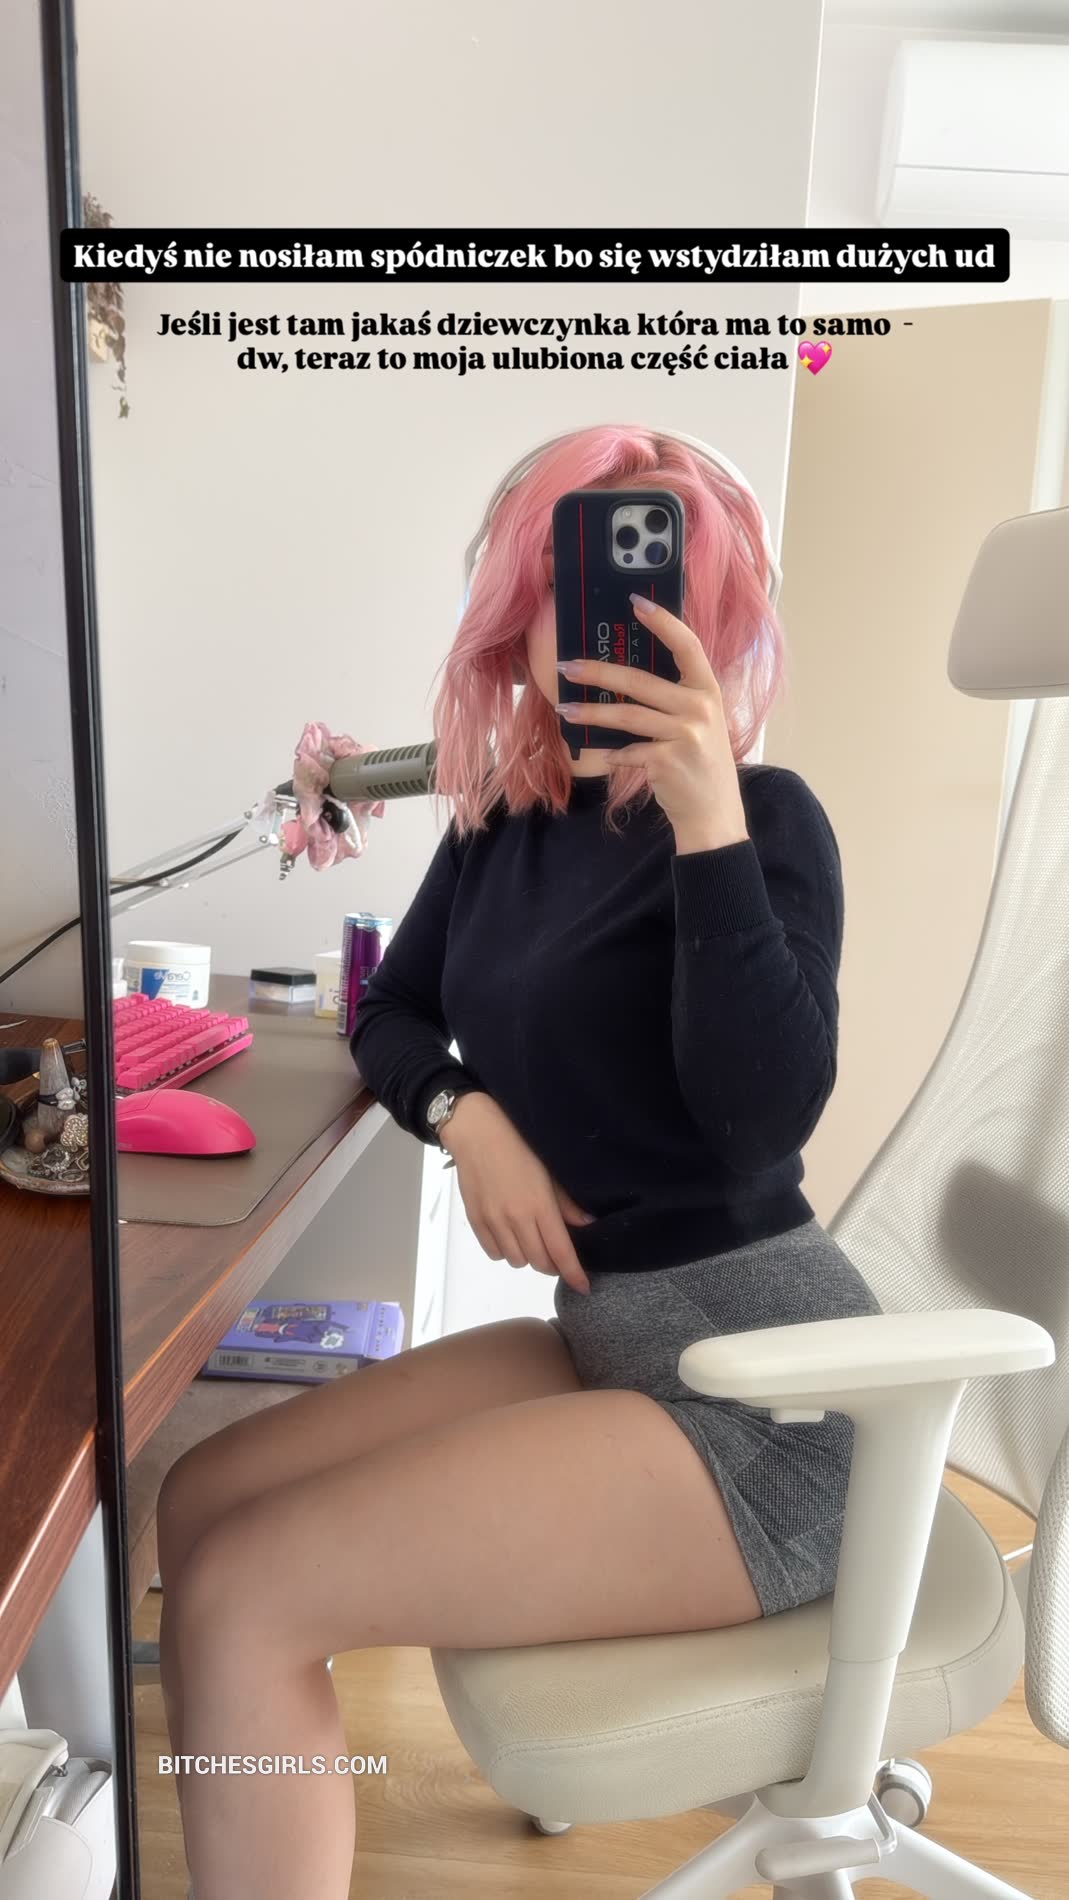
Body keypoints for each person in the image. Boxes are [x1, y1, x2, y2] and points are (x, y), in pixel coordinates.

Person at [157, 424, 880, 1900]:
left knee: (241, 1594)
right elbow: (390, 1009)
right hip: (608, 1339)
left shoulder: (768, 824)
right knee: (202, 1501)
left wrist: (705, 825)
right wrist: (464, 1114)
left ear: (713, 614)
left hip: (772, 1407)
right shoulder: (503, 827)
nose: (602, 621)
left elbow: (760, 1123)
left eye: (655, 585)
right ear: (520, 609)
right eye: (570, 582)